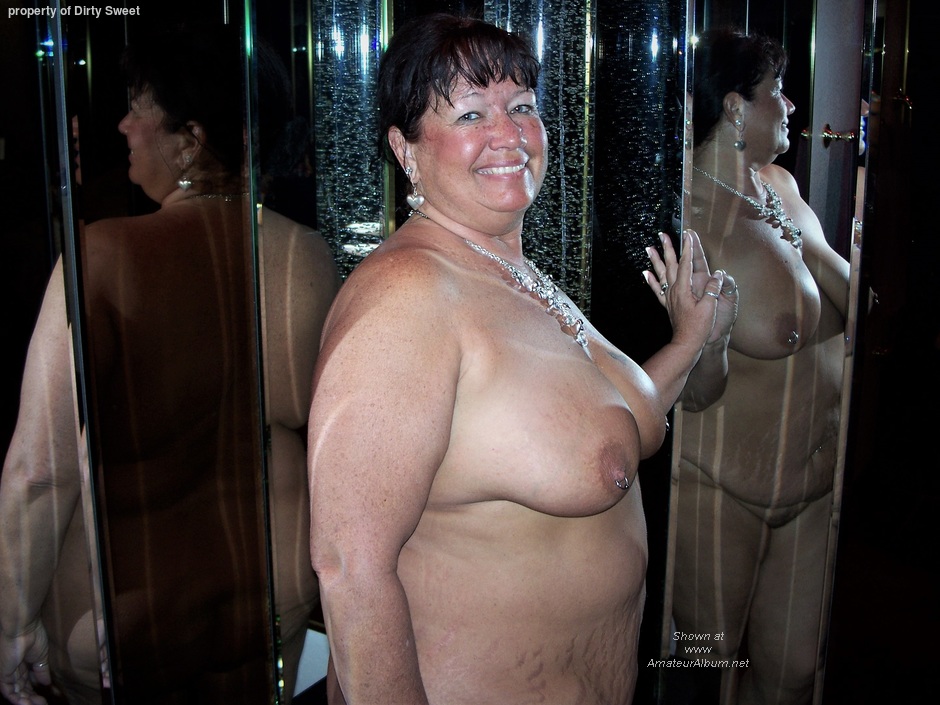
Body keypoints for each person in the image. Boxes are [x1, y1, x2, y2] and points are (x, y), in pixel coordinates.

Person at [307, 13, 736, 705]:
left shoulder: (514, 273)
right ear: (405, 148)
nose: (508, 134)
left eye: (523, 107)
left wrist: (689, 339)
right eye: (471, 113)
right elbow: (349, 567)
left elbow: (606, 431)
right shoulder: (408, 296)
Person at [0, 26, 339, 704]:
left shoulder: (99, 259)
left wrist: (13, 622)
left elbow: (40, 473)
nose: (123, 126)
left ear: (190, 139)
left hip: (127, 619)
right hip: (271, 598)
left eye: (137, 108)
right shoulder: (305, 255)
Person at [670, 27, 850, 704]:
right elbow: (689, 393)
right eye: (778, 90)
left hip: (813, 486)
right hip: (722, 490)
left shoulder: (781, 187)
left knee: (794, 673)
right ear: (735, 106)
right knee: (706, 667)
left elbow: (850, 302)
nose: (792, 106)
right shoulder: (689, 214)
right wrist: (711, 341)